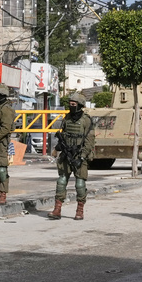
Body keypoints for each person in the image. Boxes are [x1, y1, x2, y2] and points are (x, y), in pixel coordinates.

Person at [47, 92, 94, 221]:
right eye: (70, 104)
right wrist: (57, 149)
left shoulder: (86, 120)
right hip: (66, 155)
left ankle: (80, 210)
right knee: (61, 181)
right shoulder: (66, 118)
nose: (71, 106)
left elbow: (89, 142)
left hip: (79, 155)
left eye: (73, 104)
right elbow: (64, 135)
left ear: (80, 105)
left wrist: (82, 157)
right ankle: (57, 209)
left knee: (80, 184)